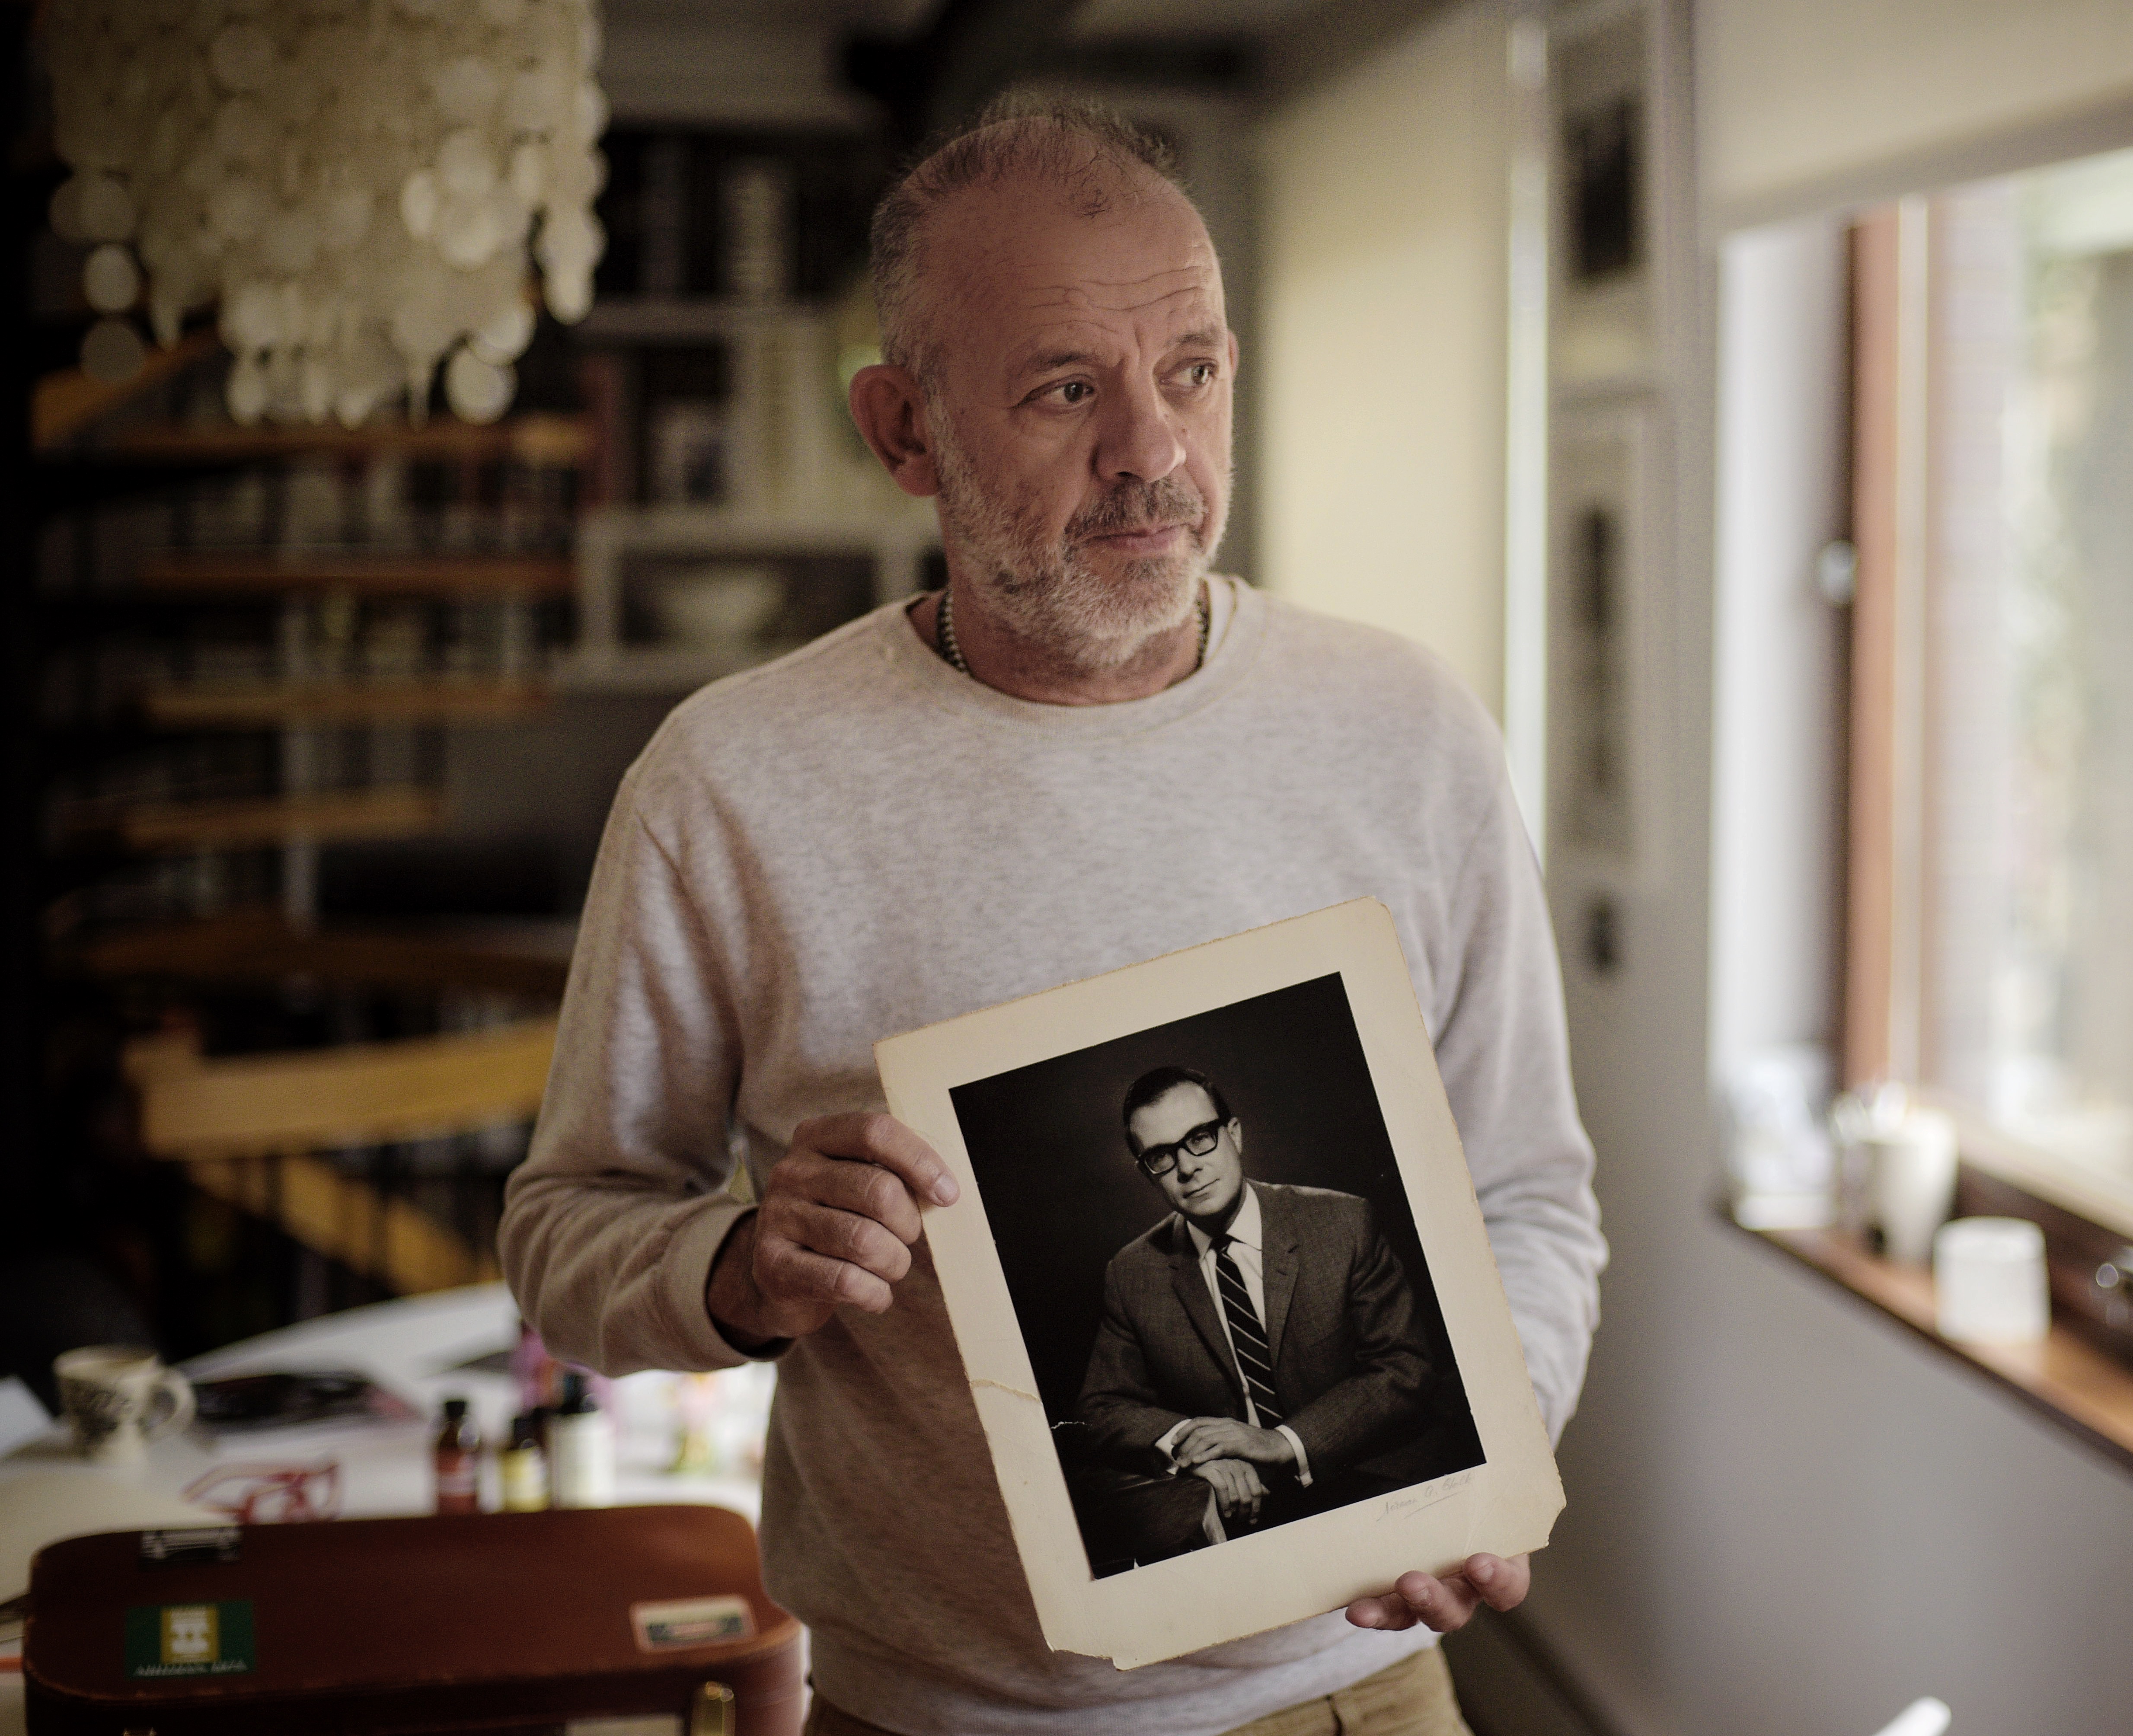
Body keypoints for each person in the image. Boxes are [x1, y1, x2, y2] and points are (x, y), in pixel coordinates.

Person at [499, 95, 1603, 1736]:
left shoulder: (1406, 729)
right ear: (903, 430)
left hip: (1355, 1691)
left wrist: (1478, 1452)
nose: (1150, 451)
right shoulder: (729, 783)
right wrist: (737, 1268)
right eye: (1064, 389)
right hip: (929, 1709)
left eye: (1192, 372)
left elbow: (1525, 1196)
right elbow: (564, 1228)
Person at [1073, 1067, 1445, 1558]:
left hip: (1370, 1484)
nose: (1188, 1167)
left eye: (1200, 1138)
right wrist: (1193, 1445)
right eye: (1163, 1156)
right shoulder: (1133, 1270)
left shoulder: (1341, 1222)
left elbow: (1405, 1368)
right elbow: (1100, 1410)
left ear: (1234, 1134)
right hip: (1242, 1515)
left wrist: (1280, 1441)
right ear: (1148, 1172)